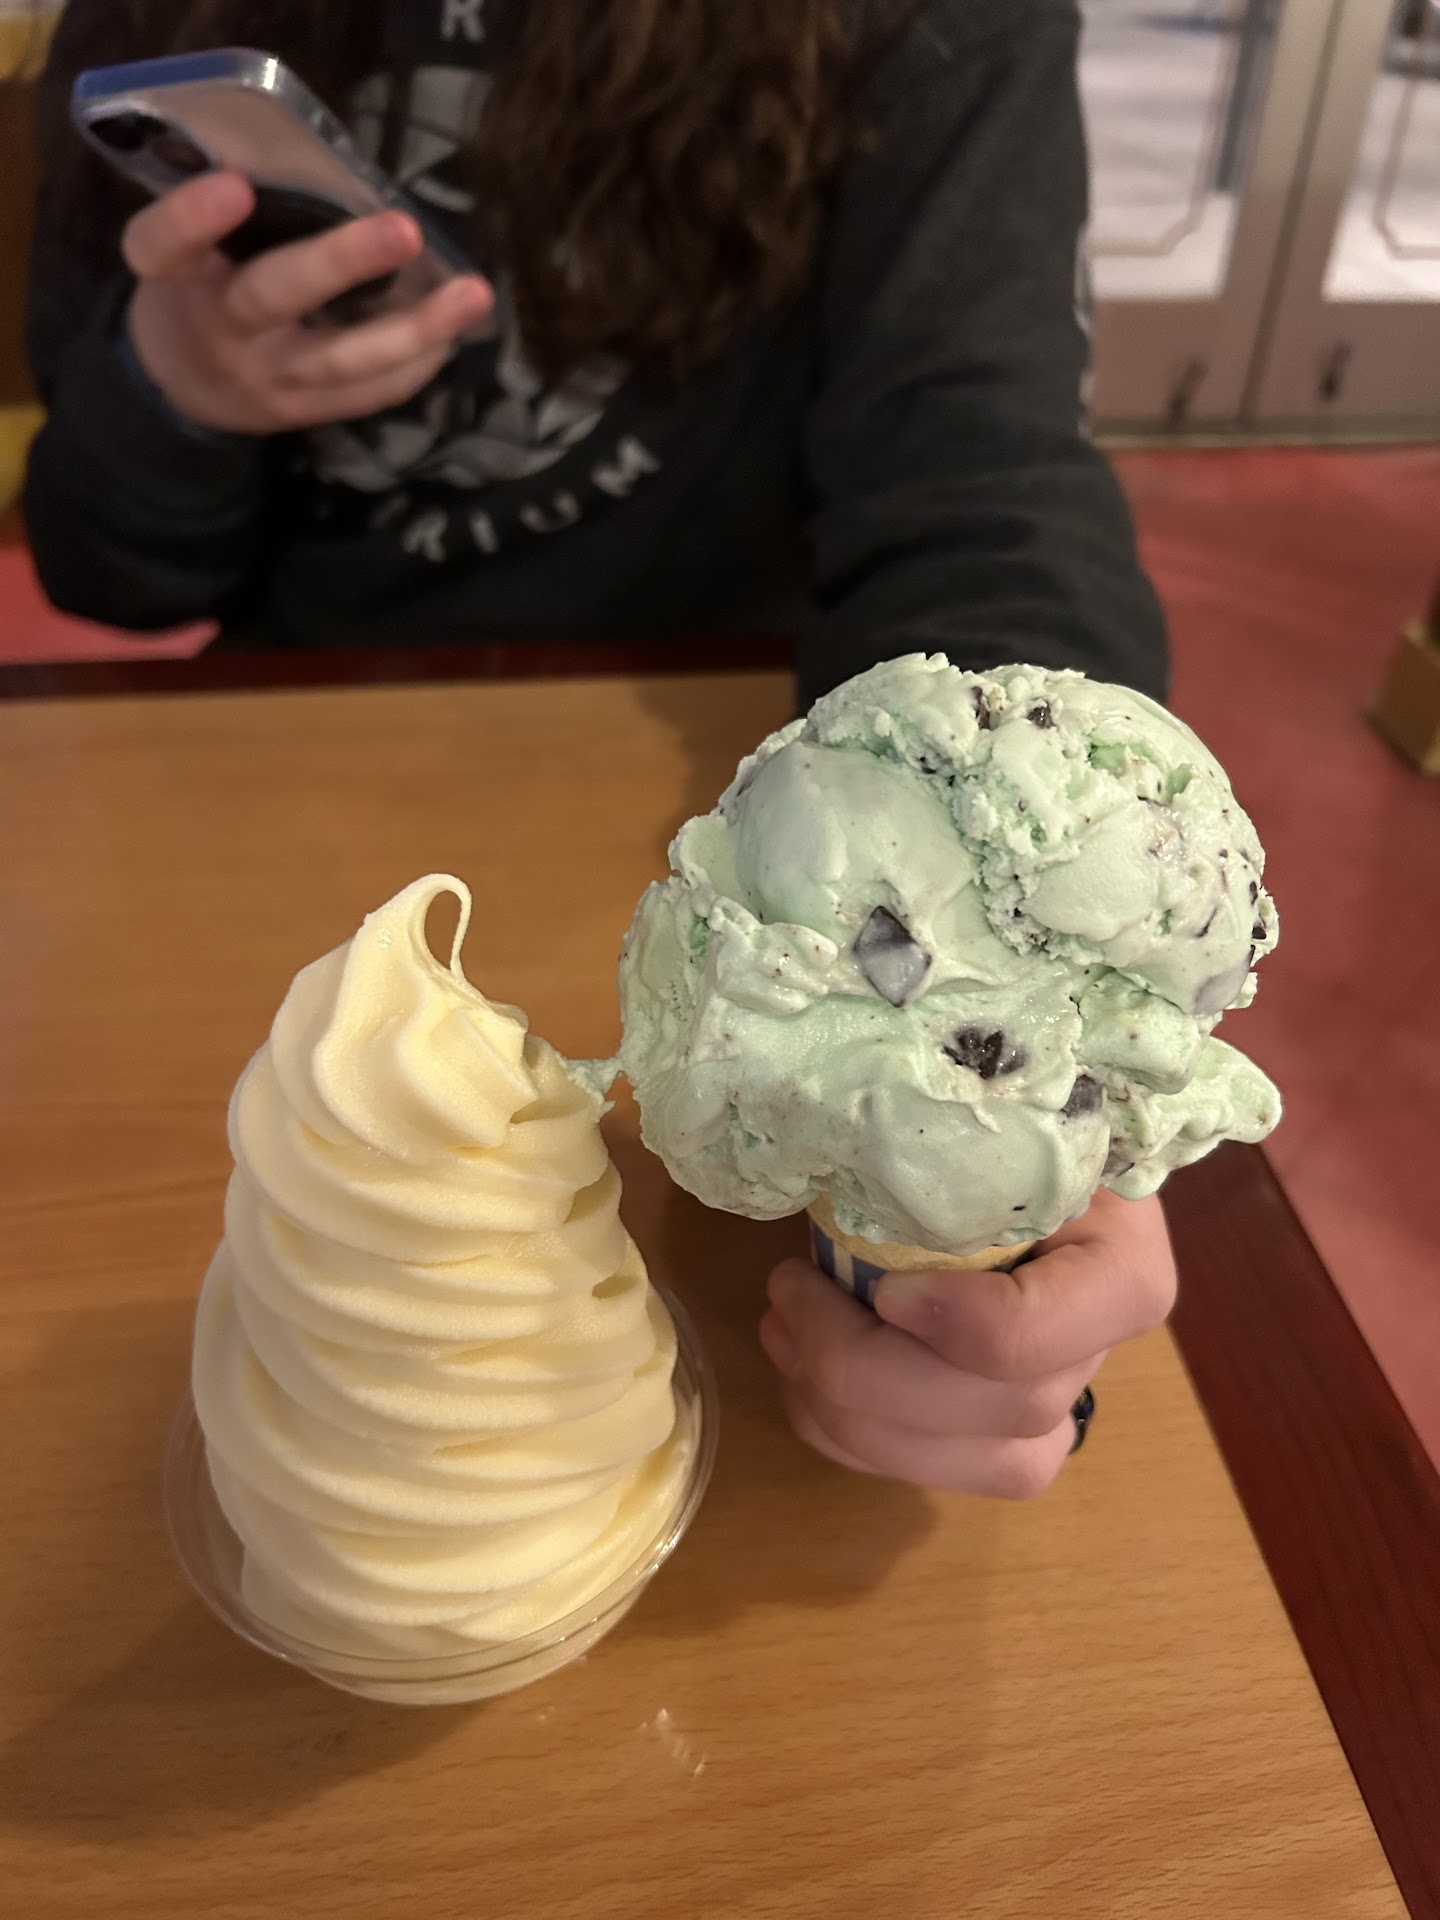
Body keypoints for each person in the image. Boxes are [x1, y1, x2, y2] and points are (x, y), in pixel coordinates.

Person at [24, 0, 1177, 1496]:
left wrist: (1036, 977)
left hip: (759, 838)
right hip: (271, 801)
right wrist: (171, 397)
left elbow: (980, 495)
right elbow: (105, 566)